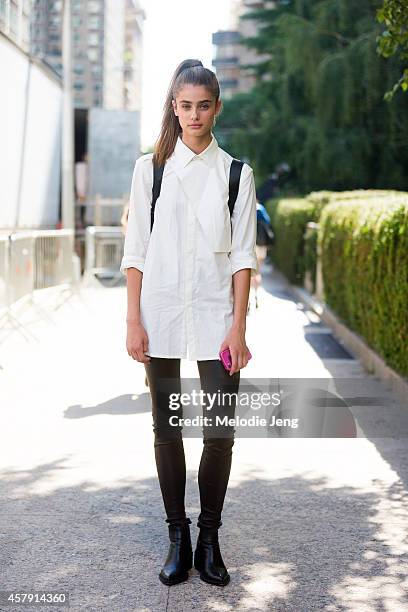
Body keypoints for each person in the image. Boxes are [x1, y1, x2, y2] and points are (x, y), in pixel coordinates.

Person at [120, 59, 257, 587]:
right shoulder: (148, 170)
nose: (194, 115)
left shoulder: (236, 174)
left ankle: (210, 537)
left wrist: (238, 328)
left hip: (217, 315)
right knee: (167, 428)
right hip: (159, 314)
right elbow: (135, 251)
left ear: (216, 108)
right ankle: (177, 536)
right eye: (185, 106)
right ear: (173, 108)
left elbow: (243, 257)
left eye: (203, 106)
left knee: (219, 432)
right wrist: (134, 320)